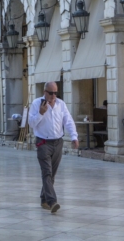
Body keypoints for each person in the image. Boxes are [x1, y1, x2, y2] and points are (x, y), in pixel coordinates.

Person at [28, 81, 79, 214]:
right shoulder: (36, 104)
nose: (53, 95)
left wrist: (74, 136)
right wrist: (40, 113)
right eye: (50, 93)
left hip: (57, 142)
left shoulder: (61, 104)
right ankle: (52, 201)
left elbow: (68, 121)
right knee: (47, 172)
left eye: (55, 92)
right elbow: (31, 124)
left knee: (52, 175)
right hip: (43, 143)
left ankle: (43, 198)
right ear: (45, 92)